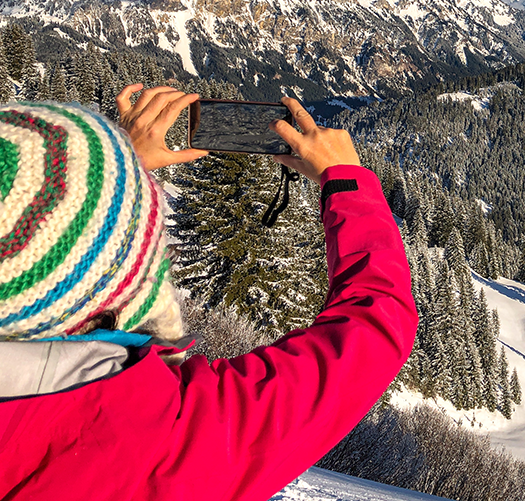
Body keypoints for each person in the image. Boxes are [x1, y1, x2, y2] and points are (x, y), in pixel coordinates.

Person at [0, 85, 418, 500]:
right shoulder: (161, 441)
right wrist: (345, 181)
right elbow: (373, 328)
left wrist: (107, 171)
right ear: (112, 277)